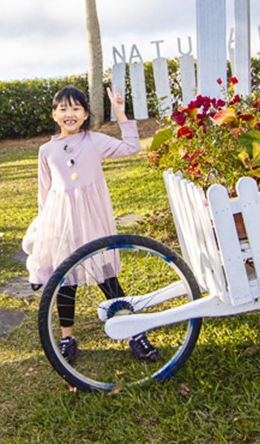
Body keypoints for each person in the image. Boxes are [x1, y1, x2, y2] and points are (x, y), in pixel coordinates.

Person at [22, 85, 159, 366]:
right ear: (54, 115)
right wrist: (42, 230)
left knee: (107, 277)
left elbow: (132, 147)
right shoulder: (46, 150)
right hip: (62, 224)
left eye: (76, 108)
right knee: (66, 282)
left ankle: (134, 332)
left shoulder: (94, 141)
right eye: (63, 108)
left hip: (94, 221)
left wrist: (120, 113)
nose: (69, 113)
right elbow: (44, 194)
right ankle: (67, 338)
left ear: (85, 115)